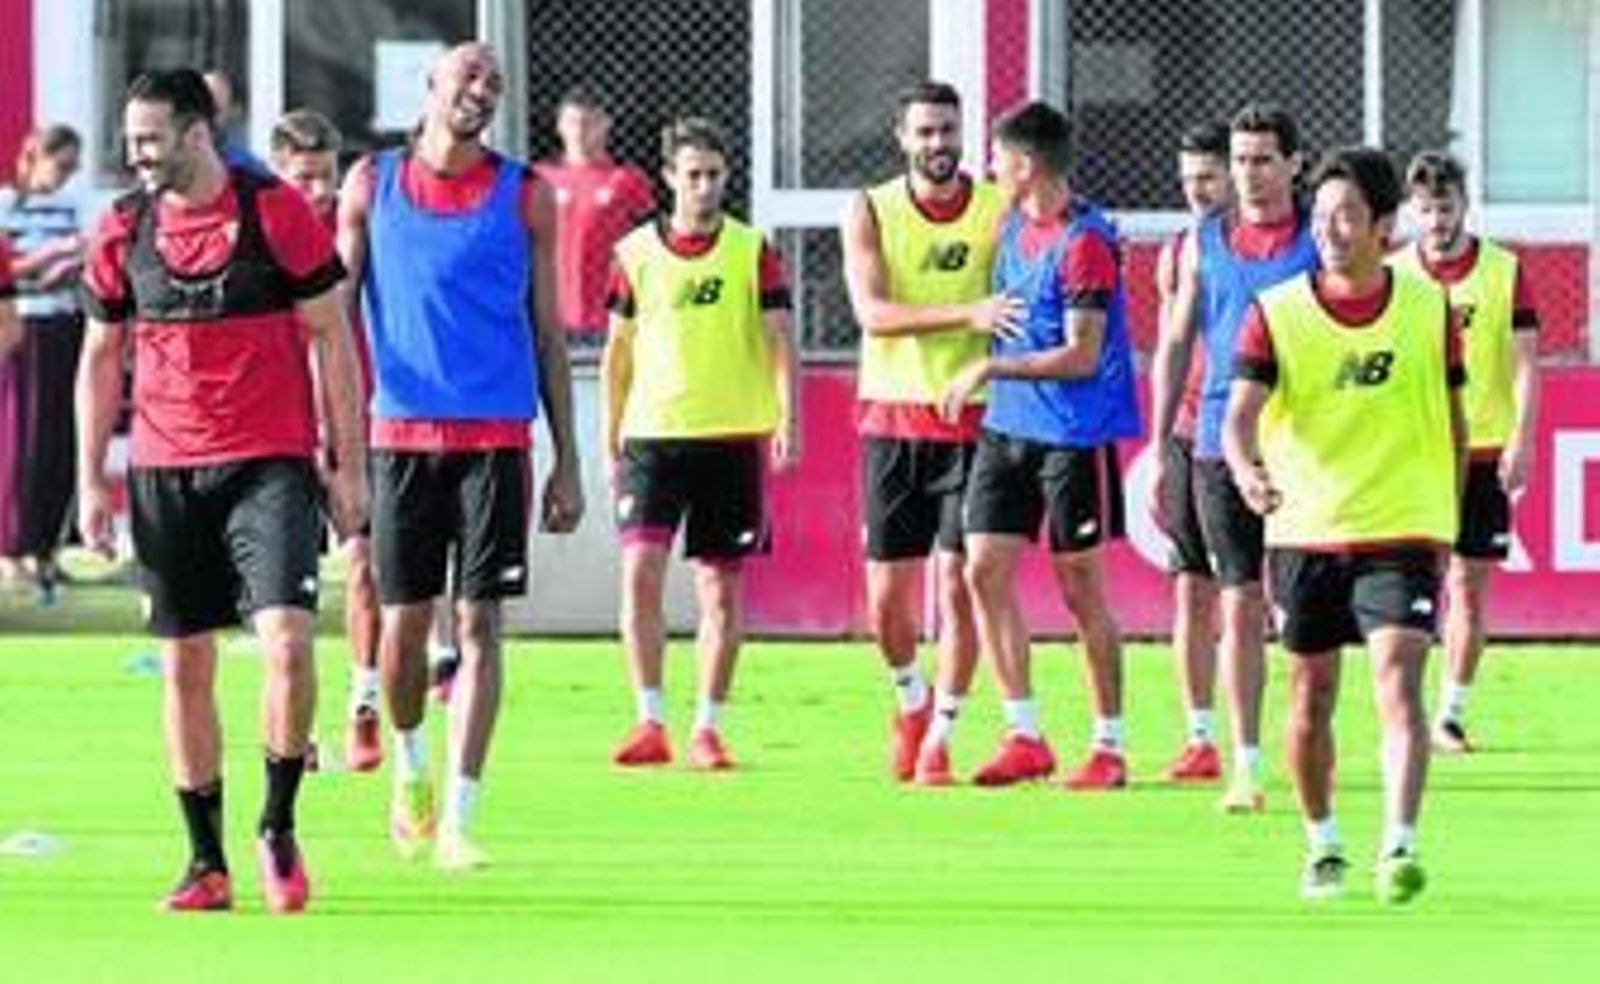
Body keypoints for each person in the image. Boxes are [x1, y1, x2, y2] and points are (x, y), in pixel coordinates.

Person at [76, 68, 368, 913]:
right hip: (165, 472)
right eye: (131, 140)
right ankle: (206, 862)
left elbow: (332, 340)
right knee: (185, 664)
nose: (137, 156)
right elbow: (101, 360)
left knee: (286, 643)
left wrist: (345, 466)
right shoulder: (123, 228)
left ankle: (276, 824)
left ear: (197, 134)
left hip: (269, 463)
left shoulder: (274, 212)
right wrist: (93, 477)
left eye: (150, 139)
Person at [339, 42, 583, 870]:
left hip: (497, 442)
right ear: (432, 87)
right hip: (399, 439)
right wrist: (333, 437)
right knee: (404, 630)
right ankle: (408, 767)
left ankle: (459, 819)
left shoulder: (527, 197)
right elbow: (332, 324)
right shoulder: (370, 184)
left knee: (481, 623)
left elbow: (549, 331)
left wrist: (568, 459)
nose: (480, 91)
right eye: (467, 77)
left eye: (494, 83)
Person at [1223, 146, 1464, 903]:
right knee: (1311, 696)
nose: (1330, 229)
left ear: (1383, 226)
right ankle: (1323, 843)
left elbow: (1453, 418)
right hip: (1307, 531)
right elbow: (1239, 419)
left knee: (1398, 682)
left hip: (1401, 527)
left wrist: (1444, 516)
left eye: (1347, 215)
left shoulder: (1429, 309)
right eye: (1321, 215)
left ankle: (1399, 843)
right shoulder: (1277, 312)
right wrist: (1246, 470)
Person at [941, 100, 1140, 790]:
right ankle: (1025, 733)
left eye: (997, 157)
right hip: (1007, 428)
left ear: (1025, 166)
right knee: (982, 570)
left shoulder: (1085, 241)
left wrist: (991, 363)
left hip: (1070, 436)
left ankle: (1109, 745)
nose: (987, 167)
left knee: (1081, 588)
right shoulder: (1009, 225)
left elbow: (1083, 355)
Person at [602, 116, 798, 771]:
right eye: (693, 176)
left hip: (730, 436)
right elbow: (616, 355)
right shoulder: (634, 254)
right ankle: (648, 719)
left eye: (715, 175)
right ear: (669, 178)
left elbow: (778, 339)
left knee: (720, 588)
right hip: (652, 440)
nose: (706, 187)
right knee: (640, 576)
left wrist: (786, 418)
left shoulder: (752, 249)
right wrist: (609, 442)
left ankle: (708, 727)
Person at [840, 81, 1017, 786]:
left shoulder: (996, 208)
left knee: (959, 580)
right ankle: (910, 697)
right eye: (925, 133)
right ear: (901, 137)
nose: (938, 145)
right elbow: (873, 313)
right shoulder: (871, 208)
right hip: (891, 415)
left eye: (948, 131)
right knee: (887, 598)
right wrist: (966, 316)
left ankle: (942, 733)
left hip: (975, 421)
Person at [1149, 104, 1319, 812]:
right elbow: (1176, 343)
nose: (1247, 174)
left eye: (1261, 159)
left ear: (1294, 164)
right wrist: (1160, 451)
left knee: (1306, 612)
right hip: (1221, 442)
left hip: (1309, 448)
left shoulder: (1321, 239)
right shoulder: (1203, 242)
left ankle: (1313, 740)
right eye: (1240, 159)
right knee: (1240, 599)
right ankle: (1245, 764)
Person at [1393, 151, 1540, 754]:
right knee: (1414, 584)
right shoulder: (1397, 274)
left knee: (1468, 585)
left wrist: (1523, 440)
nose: (1435, 221)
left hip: (1481, 452)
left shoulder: (1505, 271)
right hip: (1419, 452)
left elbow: (1526, 365)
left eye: (1445, 207)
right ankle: (1404, 707)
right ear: (1410, 211)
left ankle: (1450, 712)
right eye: (1425, 210)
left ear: (1464, 206)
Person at [268, 108, 382, 773]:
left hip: (354, 415)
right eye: (304, 177)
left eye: (326, 175)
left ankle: (363, 706)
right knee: (286, 594)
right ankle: (295, 730)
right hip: (280, 425)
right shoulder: (260, 232)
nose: (317, 190)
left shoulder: (356, 227)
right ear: (280, 170)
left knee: (366, 564)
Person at [1153, 120, 1231, 783]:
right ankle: (1200, 736)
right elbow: (1170, 347)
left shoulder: (1283, 248)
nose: (1195, 191)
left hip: (1265, 435)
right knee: (1192, 589)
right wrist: (1157, 446)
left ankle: (1257, 732)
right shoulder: (1179, 251)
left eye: (1207, 176)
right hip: (1190, 432)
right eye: (1186, 180)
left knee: (1253, 595)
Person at [0, 125, 85, 605]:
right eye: (63, 165)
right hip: (24, 329)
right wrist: (52, 256)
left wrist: (66, 262)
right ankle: (12, 548)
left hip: (64, 322)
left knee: (58, 440)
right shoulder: (6, 205)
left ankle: (45, 548)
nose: (68, 176)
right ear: (34, 157)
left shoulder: (70, 208)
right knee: (23, 441)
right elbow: (8, 268)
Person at [533, 86, 656, 346]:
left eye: (588, 123)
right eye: (571, 122)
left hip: (609, 316)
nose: (579, 131)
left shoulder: (627, 180)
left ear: (606, 124)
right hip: (553, 317)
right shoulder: (540, 178)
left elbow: (651, 246)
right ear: (559, 126)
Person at [202, 69, 270, 175]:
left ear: (231, 111)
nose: (206, 117)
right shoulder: (173, 162)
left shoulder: (248, 167)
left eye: (215, 110)